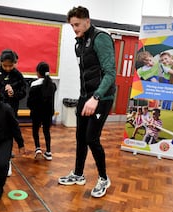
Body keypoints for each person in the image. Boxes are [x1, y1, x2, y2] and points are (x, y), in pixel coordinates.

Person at [58, 6, 116, 198]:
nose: (74, 28)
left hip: (102, 97)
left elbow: (110, 73)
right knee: (80, 137)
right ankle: (78, 173)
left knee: (92, 138)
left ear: (87, 21)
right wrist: (86, 97)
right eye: (72, 25)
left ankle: (103, 178)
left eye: (77, 24)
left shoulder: (101, 38)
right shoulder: (80, 42)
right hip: (85, 96)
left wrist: (96, 97)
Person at [0, 49, 27, 173]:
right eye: (5, 66)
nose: (8, 68)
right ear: (0, 62)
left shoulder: (18, 75)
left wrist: (14, 93)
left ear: (15, 63)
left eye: (11, 65)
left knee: (7, 135)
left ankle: (6, 162)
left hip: (11, 110)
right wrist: (2, 91)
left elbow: (23, 92)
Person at [27, 62, 57, 160]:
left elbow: (30, 101)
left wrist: (30, 108)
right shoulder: (52, 85)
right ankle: (48, 152)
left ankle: (38, 148)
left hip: (36, 112)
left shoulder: (34, 84)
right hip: (48, 112)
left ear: (38, 73)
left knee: (35, 130)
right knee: (46, 131)